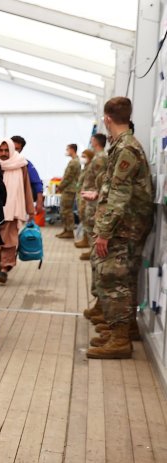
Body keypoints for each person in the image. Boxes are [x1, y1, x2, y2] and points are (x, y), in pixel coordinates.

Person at [82, 97, 154, 359]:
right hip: (129, 223)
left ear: (107, 119)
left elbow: (120, 196)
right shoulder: (125, 145)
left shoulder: (126, 148)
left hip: (125, 226)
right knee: (124, 278)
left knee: (115, 278)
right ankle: (123, 328)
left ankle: (120, 339)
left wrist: (104, 232)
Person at [0, 138, 35, 284]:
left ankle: (5, 268)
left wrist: (31, 210)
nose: (4, 153)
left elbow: (26, 187)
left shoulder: (20, 164)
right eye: (1, 150)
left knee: (9, 242)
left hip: (13, 210)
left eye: (6, 150)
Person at [77, 133, 108, 258]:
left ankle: (93, 251)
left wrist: (95, 193)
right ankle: (91, 248)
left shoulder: (100, 157)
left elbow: (99, 179)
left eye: (92, 140)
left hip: (93, 196)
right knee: (87, 221)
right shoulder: (97, 157)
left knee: (91, 222)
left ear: (96, 141)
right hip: (90, 194)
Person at [10, 135, 44, 218]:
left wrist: (39, 203)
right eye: (12, 148)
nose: (14, 151)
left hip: (18, 202)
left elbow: (37, 183)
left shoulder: (25, 163)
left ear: (21, 150)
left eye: (17, 149)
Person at [55, 143, 82, 238]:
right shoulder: (75, 161)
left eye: (68, 149)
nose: (67, 151)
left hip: (69, 189)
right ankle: (66, 229)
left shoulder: (74, 162)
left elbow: (68, 177)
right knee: (64, 210)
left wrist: (60, 187)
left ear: (72, 150)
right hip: (69, 188)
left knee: (66, 210)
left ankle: (69, 230)